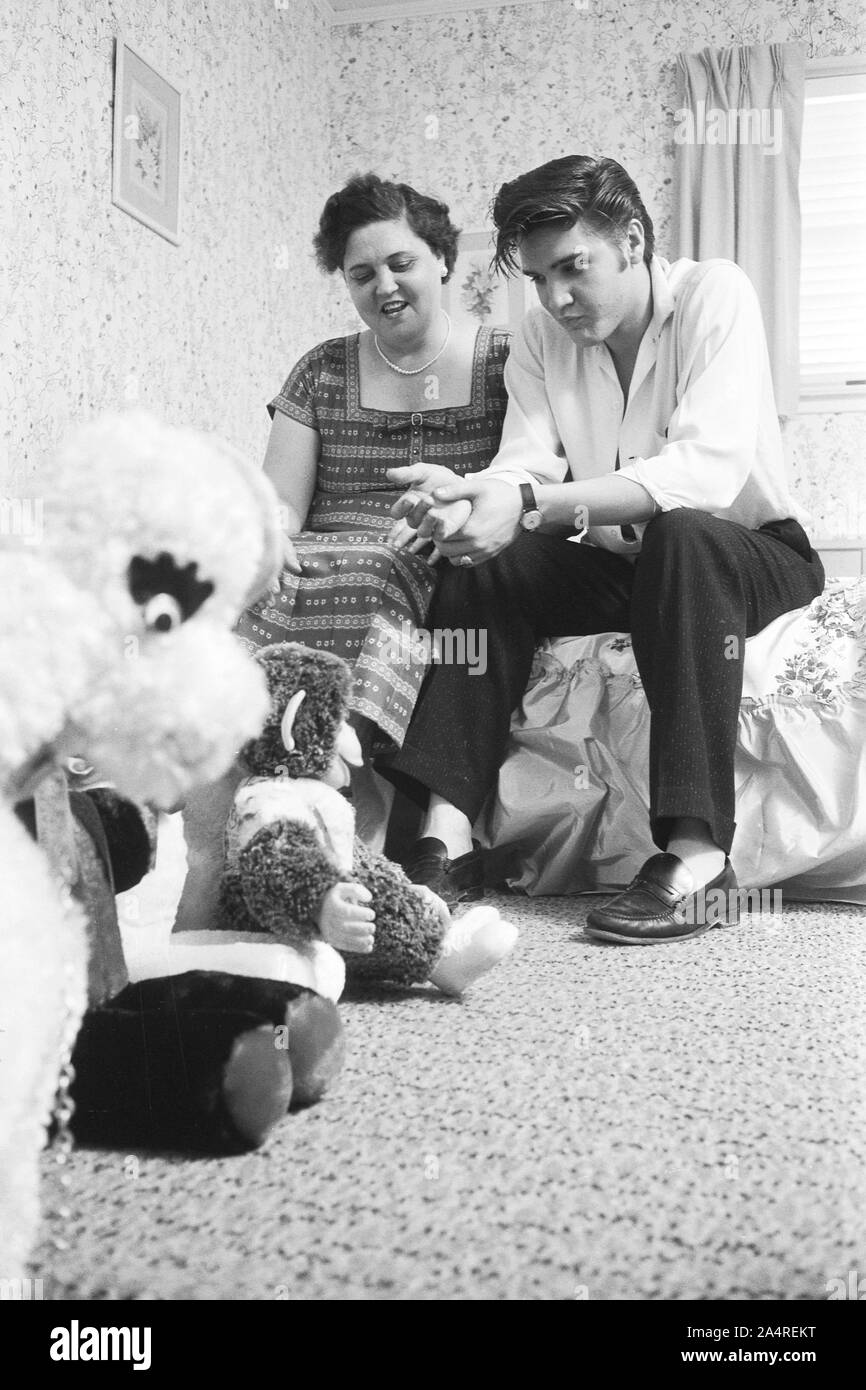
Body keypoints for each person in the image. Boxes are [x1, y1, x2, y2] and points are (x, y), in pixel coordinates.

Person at [380, 154, 825, 940]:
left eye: (574, 269)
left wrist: (526, 500)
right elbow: (526, 461)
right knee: (493, 559)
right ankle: (441, 843)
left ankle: (696, 859)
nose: (557, 298)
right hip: (625, 560)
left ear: (631, 238)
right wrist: (472, 504)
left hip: (744, 552)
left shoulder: (713, 294)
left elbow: (705, 471)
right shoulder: (544, 334)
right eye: (541, 279)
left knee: (681, 533)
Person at [237, 173, 510, 846]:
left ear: (443, 259)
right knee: (257, 577)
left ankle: (345, 787)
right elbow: (281, 505)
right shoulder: (321, 370)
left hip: (431, 553)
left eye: (400, 263)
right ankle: (253, 785)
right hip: (329, 549)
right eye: (362, 275)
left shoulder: (509, 359)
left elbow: (526, 475)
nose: (383, 286)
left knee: (383, 568)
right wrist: (268, 540)